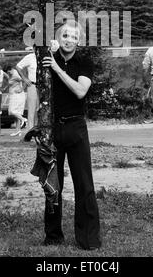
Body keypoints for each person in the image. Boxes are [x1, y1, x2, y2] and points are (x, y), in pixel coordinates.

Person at [41, 21, 101, 250]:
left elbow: (80, 91)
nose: (68, 39)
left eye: (73, 36)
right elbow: (40, 91)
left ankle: (88, 239)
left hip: (76, 127)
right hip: (53, 128)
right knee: (52, 184)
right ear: (59, 37)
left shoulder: (84, 62)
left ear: (78, 41)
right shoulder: (48, 57)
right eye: (64, 35)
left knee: (84, 184)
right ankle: (53, 235)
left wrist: (57, 69)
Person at [16, 47, 38, 130]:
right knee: (31, 110)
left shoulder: (46, 56)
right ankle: (31, 132)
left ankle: (40, 132)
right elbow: (18, 66)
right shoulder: (30, 57)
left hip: (43, 86)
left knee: (40, 110)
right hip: (32, 85)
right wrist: (24, 78)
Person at [4, 62, 27, 137]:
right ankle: (18, 131)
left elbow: (25, 80)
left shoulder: (15, 74)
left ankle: (23, 119)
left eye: (8, 72)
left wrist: (22, 88)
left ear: (10, 69)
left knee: (12, 111)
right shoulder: (11, 74)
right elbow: (11, 82)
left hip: (17, 95)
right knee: (17, 113)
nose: (8, 73)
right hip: (14, 94)